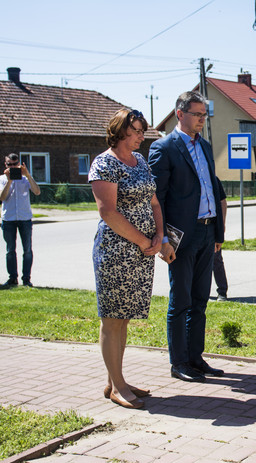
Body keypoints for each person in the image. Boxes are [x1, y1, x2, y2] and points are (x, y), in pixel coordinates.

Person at [149, 91, 225, 383]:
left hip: (207, 232)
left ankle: (195, 358)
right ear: (180, 114)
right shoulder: (163, 148)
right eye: (197, 114)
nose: (201, 120)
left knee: (200, 300)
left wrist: (217, 233)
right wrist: (163, 238)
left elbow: (213, 192)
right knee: (180, 300)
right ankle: (178, 362)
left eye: (204, 115)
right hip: (180, 236)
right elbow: (158, 199)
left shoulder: (205, 147)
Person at [89, 109, 163, 410]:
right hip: (116, 251)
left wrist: (160, 236)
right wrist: (144, 240)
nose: (141, 135)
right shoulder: (105, 163)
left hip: (142, 251)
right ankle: (118, 386)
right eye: (136, 130)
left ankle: (115, 380)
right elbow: (108, 212)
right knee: (112, 319)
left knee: (125, 318)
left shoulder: (140, 161)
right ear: (119, 131)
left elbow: (154, 201)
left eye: (143, 130)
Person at [1, 153, 41, 287]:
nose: (13, 167)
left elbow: (37, 192)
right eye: (10, 165)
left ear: (19, 164)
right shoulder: (2, 179)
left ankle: (26, 279)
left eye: (15, 164)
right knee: (10, 250)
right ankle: (12, 278)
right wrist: (9, 180)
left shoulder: (25, 179)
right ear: (5, 165)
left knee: (27, 250)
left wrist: (28, 175)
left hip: (25, 218)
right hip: (9, 219)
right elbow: (2, 198)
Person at [212, 177, 229, 302]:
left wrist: (221, 224)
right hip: (192, 228)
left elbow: (222, 201)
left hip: (211, 226)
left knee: (216, 259)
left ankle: (222, 291)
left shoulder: (213, 179)